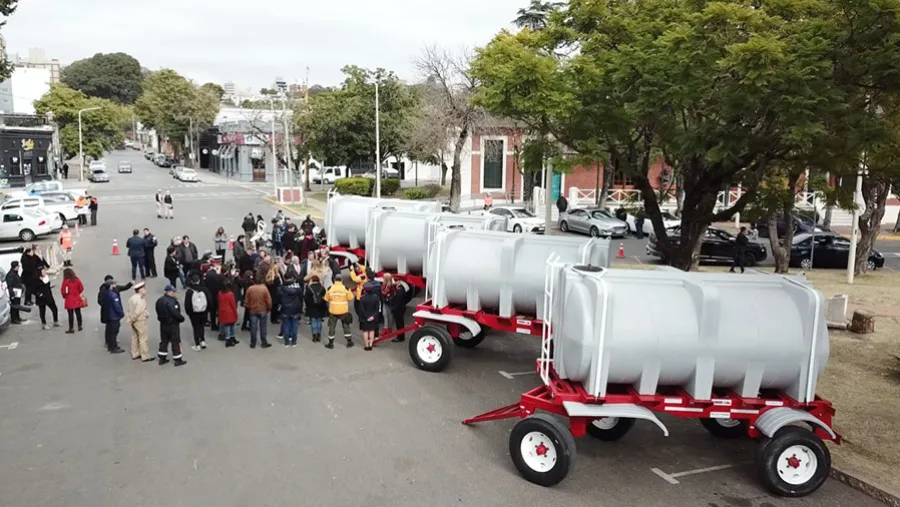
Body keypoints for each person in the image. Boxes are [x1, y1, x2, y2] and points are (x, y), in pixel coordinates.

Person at [156, 284, 186, 366]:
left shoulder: (159, 301)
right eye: (173, 291)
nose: (174, 293)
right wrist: (181, 318)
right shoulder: (172, 302)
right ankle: (177, 359)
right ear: (168, 292)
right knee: (175, 341)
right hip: (172, 324)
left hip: (163, 324)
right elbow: (175, 313)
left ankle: (162, 358)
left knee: (164, 341)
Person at [324, 273, 355, 349]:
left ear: (334, 280)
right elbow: (350, 298)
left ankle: (331, 343)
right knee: (346, 326)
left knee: (332, 327)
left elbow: (326, 299)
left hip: (333, 311)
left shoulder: (330, 288)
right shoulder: (346, 288)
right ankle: (349, 342)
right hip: (343, 311)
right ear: (342, 280)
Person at [126, 282, 154, 362]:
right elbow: (138, 311)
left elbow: (128, 310)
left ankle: (135, 353)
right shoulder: (140, 299)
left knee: (134, 337)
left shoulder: (131, 298)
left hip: (133, 321)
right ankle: (145, 356)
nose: (145, 291)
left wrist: (129, 319)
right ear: (140, 290)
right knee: (143, 338)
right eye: (144, 289)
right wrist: (133, 319)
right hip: (140, 321)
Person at [244, 275, 273, 349]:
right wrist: (269, 309)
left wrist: (248, 306)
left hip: (253, 310)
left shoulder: (250, 289)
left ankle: (253, 343)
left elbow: (246, 300)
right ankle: (264, 342)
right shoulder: (264, 289)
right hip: (263, 310)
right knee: (263, 327)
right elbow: (269, 301)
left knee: (253, 327)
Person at [100, 279, 126, 354]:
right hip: (114, 316)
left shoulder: (106, 293)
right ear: (111, 285)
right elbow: (117, 306)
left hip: (109, 315)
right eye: (114, 284)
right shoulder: (113, 295)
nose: (115, 285)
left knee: (110, 331)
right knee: (114, 332)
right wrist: (121, 313)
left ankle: (110, 346)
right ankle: (114, 347)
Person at [184, 272, 209, 351]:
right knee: (202, 326)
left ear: (192, 281)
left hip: (194, 313)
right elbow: (209, 300)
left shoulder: (189, 291)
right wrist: (207, 309)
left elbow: (187, 304)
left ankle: (197, 344)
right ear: (199, 281)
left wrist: (189, 313)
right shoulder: (204, 289)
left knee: (196, 328)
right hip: (203, 311)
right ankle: (203, 341)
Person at [381, 273, 409, 343]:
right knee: (400, 323)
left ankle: (400, 337)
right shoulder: (400, 287)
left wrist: (393, 308)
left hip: (398, 309)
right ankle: (400, 336)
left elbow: (397, 301)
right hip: (401, 308)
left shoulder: (399, 289)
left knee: (399, 324)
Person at [279, 272, 302, 346]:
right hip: (295, 308)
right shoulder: (298, 288)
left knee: (286, 325)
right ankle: (294, 341)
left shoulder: (282, 288)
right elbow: (301, 297)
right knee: (294, 325)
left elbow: (278, 297)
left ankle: (286, 342)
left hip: (285, 308)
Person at [358, 280, 382, 351]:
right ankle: (371, 345)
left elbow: (361, 309)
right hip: (373, 318)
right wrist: (373, 316)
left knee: (365, 331)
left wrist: (366, 317)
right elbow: (377, 309)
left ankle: (366, 345)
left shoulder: (362, 298)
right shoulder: (376, 297)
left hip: (364, 318)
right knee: (372, 331)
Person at [304, 275, 327, 343]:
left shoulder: (309, 288)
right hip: (320, 307)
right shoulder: (322, 288)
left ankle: (314, 335)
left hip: (312, 307)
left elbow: (306, 299)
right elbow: (325, 297)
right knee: (319, 321)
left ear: (312, 280)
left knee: (313, 321)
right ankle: (319, 335)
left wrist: (308, 306)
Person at [60, 268, 84, 333]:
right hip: (76, 298)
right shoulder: (77, 279)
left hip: (69, 300)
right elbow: (81, 288)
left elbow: (63, 291)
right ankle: (80, 326)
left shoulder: (65, 282)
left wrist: (65, 296)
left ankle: (71, 328)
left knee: (70, 315)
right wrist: (77, 293)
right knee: (78, 313)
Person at [218, 281, 239, 347]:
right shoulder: (230, 294)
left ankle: (229, 338)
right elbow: (233, 304)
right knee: (231, 325)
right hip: (230, 312)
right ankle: (230, 338)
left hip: (222, 311)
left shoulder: (220, 293)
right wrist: (236, 313)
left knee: (226, 325)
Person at [204, 263, 222, 332]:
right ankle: (219, 324)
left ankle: (213, 325)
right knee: (219, 311)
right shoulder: (218, 275)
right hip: (218, 295)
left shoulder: (208, 274)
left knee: (212, 311)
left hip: (210, 294)